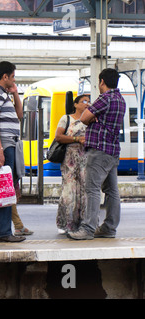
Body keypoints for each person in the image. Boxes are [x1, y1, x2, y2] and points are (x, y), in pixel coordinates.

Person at [68, 68, 126, 240]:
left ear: (102, 82)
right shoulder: (120, 99)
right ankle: (109, 228)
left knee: (92, 189)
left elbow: (84, 118)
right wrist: (96, 117)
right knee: (112, 190)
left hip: (99, 150)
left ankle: (88, 228)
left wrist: (93, 118)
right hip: (113, 151)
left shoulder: (105, 98)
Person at [0, 61, 26, 242]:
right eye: (13, 76)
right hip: (4, 144)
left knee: (0, 189)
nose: (14, 79)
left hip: (9, 144)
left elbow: (20, 114)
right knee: (4, 190)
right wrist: (0, 149)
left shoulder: (3, 94)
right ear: (5, 77)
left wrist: (15, 92)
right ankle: (3, 232)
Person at [54, 95, 90, 234]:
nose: (87, 104)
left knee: (83, 192)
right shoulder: (66, 119)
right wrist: (76, 139)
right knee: (69, 191)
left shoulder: (90, 119)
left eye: (89, 101)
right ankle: (64, 223)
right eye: (84, 101)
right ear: (75, 104)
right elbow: (58, 137)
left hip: (85, 159)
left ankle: (82, 223)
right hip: (69, 159)